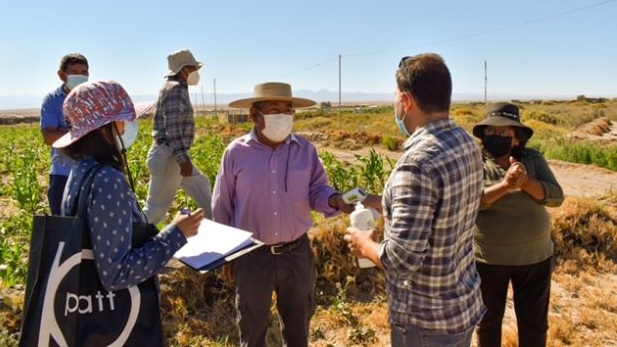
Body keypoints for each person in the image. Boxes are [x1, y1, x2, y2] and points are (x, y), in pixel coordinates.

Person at [344, 53, 485, 347]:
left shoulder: (417, 163)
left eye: (397, 99)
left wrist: (364, 245)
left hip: (426, 322)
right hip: (461, 305)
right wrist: (381, 202)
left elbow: (401, 260)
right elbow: (441, 211)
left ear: (406, 101)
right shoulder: (465, 142)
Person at [53, 80, 203, 339]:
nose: (130, 126)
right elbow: (117, 273)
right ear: (103, 130)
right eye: (124, 120)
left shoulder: (80, 170)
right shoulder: (107, 180)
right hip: (116, 325)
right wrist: (176, 234)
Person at [211, 82, 353, 347]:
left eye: (288, 110)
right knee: (252, 330)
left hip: (297, 255)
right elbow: (222, 205)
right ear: (255, 114)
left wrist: (334, 199)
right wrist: (227, 254)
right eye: (275, 109)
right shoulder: (236, 153)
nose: (283, 115)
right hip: (252, 257)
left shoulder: (306, 151)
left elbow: (317, 190)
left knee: (298, 330)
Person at [471, 102, 564, 347]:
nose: (496, 135)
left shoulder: (533, 159)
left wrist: (525, 182)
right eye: (491, 131)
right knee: (487, 321)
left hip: (535, 257)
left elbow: (556, 196)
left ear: (516, 138)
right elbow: (471, 202)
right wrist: (506, 186)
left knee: (533, 323)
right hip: (488, 260)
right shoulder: (475, 162)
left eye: (503, 132)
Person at [143, 49, 213, 224]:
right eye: (193, 68)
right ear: (183, 69)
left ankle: (223, 231)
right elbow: (172, 127)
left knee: (203, 188)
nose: (196, 72)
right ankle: (131, 242)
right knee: (156, 209)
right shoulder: (175, 89)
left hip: (172, 155)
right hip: (170, 156)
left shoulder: (176, 88)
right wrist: (183, 160)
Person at [40, 53, 89, 215]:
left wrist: (66, 134)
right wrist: (83, 132)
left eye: (84, 72)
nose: (80, 76)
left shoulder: (94, 98)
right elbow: (49, 136)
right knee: (62, 226)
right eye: (74, 71)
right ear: (62, 75)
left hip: (91, 172)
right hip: (63, 173)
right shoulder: (52, 99)